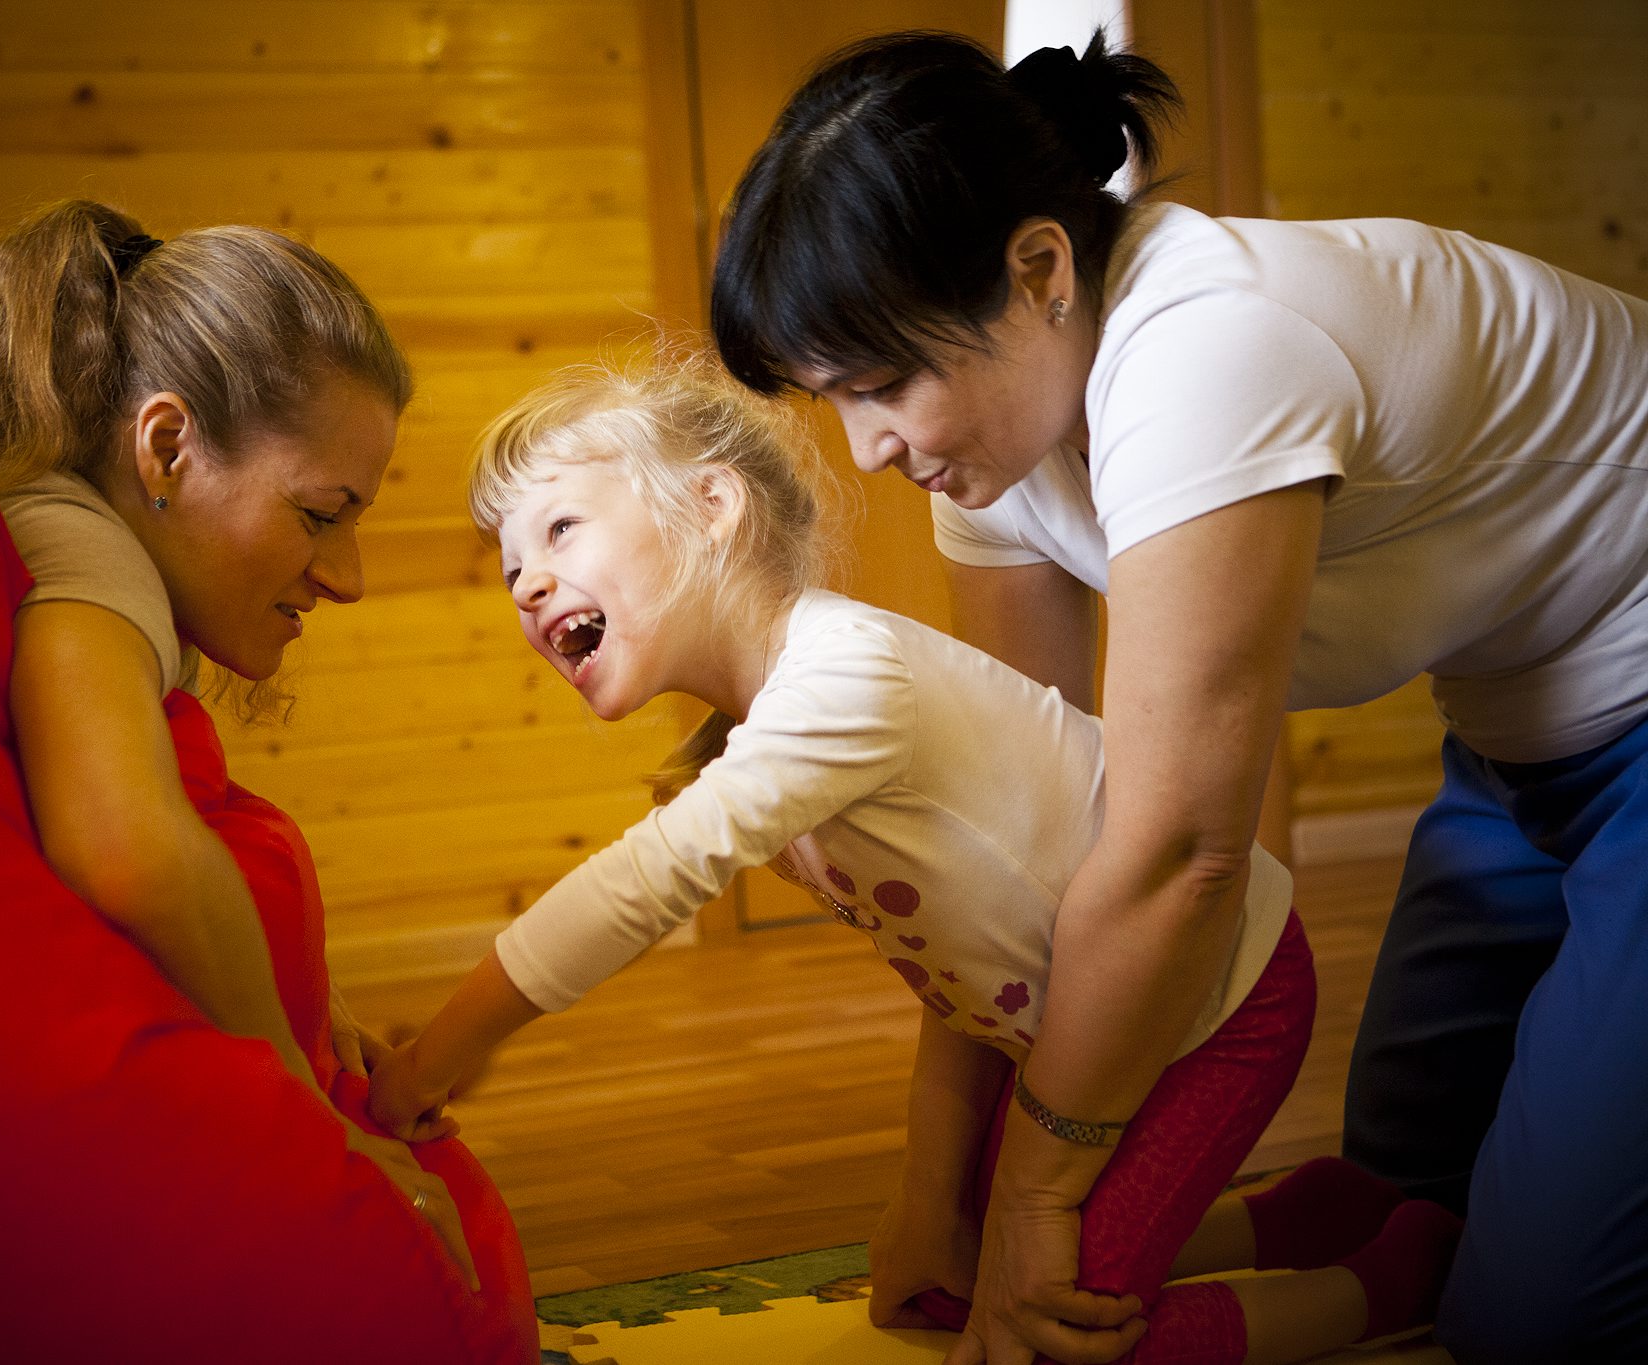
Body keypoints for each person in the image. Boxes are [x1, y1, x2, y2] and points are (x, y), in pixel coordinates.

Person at [707, 28, 1648, 1364]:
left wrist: (1035, 1199)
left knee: (1537, 1322)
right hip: (1517, 758)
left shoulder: (1208, 350)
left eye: (883, 385)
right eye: (831, 401)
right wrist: (937, 1177)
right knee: (1396, 1191)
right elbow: (1014, 844)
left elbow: (1177, 856)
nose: (869, 449)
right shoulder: (993, 449)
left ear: (1039, 270)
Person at [365, 356, 1463, 1365]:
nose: (526, 582)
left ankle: (1389, 1287)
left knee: (1053, 1338)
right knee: (952, 1286)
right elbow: (952, 977)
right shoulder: (754, 742)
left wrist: (435, 1060)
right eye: (511, 564)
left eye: (559, 529)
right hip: (1068, 1027)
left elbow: (639, 884)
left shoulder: (843, 683)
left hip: (1212, 1004)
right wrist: (928, 1200)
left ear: (711, 504)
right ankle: (1297, 1219)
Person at [0, 199, 478, 1284]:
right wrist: (316, 1122)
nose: (349, 578)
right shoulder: (80, 546)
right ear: (167, 446)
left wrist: (307, 1007)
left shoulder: (82, 531)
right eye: (319, 514)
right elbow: (123, 842)